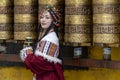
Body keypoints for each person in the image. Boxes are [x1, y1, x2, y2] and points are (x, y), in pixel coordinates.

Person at [20, 6, 64, 80]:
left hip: (48, 77)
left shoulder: (51, 38)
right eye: (42, 17)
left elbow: (40, 63)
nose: (43, 20)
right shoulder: (48, 36)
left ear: (54, 21)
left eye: (47, 18)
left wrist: (26, 53)